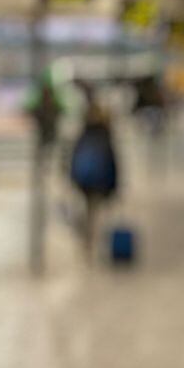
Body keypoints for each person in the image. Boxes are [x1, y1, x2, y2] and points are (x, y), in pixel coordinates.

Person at [69, 85, 118, 259]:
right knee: (94, 212)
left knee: (88, 211)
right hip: (100, 181)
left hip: (84, 180)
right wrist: (114, 186)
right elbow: (113, 161)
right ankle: (92, 242)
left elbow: (74, 157)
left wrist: (72, 177)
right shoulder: (105, 134)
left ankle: (88, 242)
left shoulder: (85, 132)